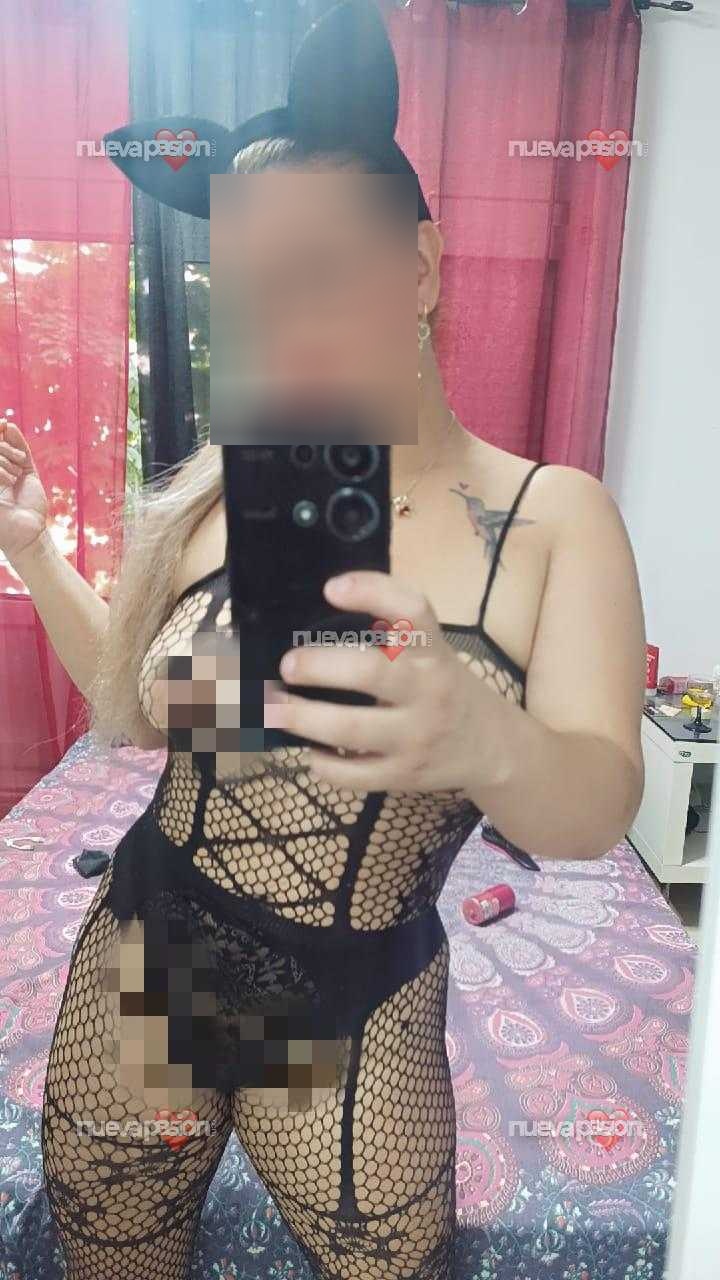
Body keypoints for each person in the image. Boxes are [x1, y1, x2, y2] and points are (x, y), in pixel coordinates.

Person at [0, 5, 646, 1278]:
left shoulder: (550, 517)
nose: (280, 331)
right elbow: (134, 707)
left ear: (422, 267)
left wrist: (488, 735)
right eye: (245, 295)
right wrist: (29, 547)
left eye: (318, 275)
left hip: (356, 1005)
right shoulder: (228, 491)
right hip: (149, 957)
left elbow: (595, 802)